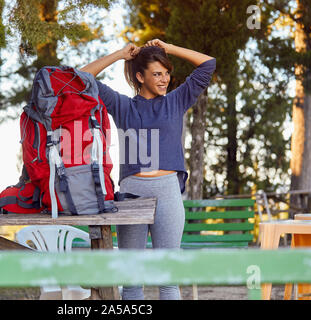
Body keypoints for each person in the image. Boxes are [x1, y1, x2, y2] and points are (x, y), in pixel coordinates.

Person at [80, 39, 216, 300]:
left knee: (168, 282)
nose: (164, 79)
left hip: (167, 193)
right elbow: (82, 76)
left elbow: (208, 64)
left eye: (166, 73)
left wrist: (170, 49)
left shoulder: (176, 101)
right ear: (140, 77)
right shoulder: (123, 106)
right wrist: (120, 55)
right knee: (132, 282)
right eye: (156, 74)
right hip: (132, 195)